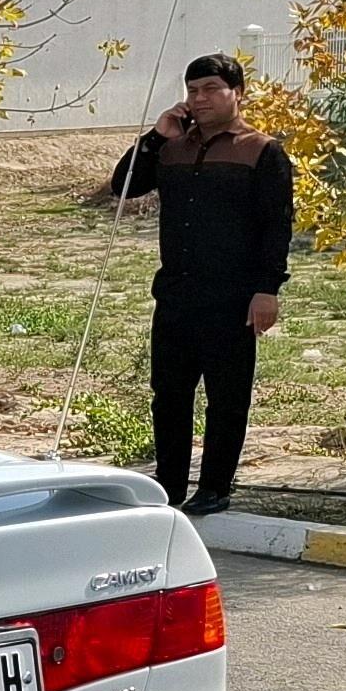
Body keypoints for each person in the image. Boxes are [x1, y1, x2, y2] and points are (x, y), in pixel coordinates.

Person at [107, 54, 293, 515]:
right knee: (169, 395)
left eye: (211, 89)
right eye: (193, 90)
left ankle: (215, 486)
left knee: (227, 398)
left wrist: (267, 288)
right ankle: (168, 483)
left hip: (233, 299)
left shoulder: (261, 151)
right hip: (176, 295)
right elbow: (123, 186)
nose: (200, 98)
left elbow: (277, 225)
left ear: (238, 93)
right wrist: (155, 137)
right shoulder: (172, 147)